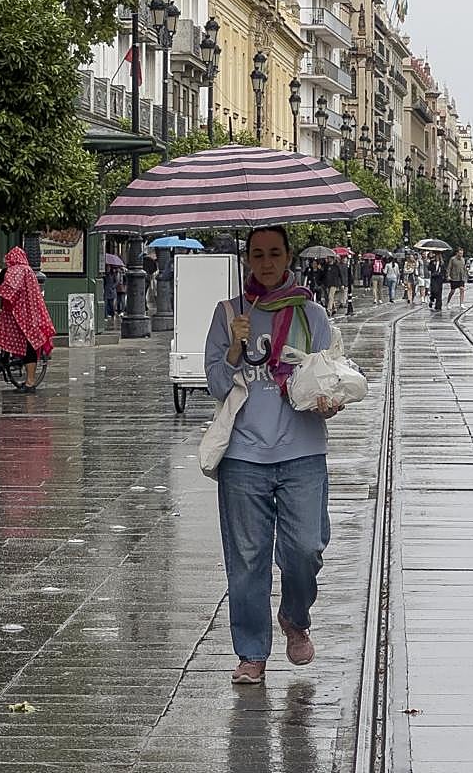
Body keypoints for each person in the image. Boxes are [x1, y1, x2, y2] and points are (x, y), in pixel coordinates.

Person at [204, 225, 340, 685]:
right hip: (243, 455)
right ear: (247, 261)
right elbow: (217, 387)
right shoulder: (228, 314)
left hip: (302, 450)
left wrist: (331, 399)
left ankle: (295, 616)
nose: (266, 263)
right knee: (246, 558)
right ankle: (251, 652)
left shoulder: (312, 314)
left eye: (274, 254)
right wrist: (237, 347)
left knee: (305, 549)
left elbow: (329, 377)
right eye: (257, 255)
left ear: (288, 258)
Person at [0, 247, 55, 393]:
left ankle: (30, 382)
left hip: (23, 314)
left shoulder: (17, 270)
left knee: (28, 345)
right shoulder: (28, 270)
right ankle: (28, 379)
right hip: (30, 314)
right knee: (28, 344)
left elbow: (11, 287)